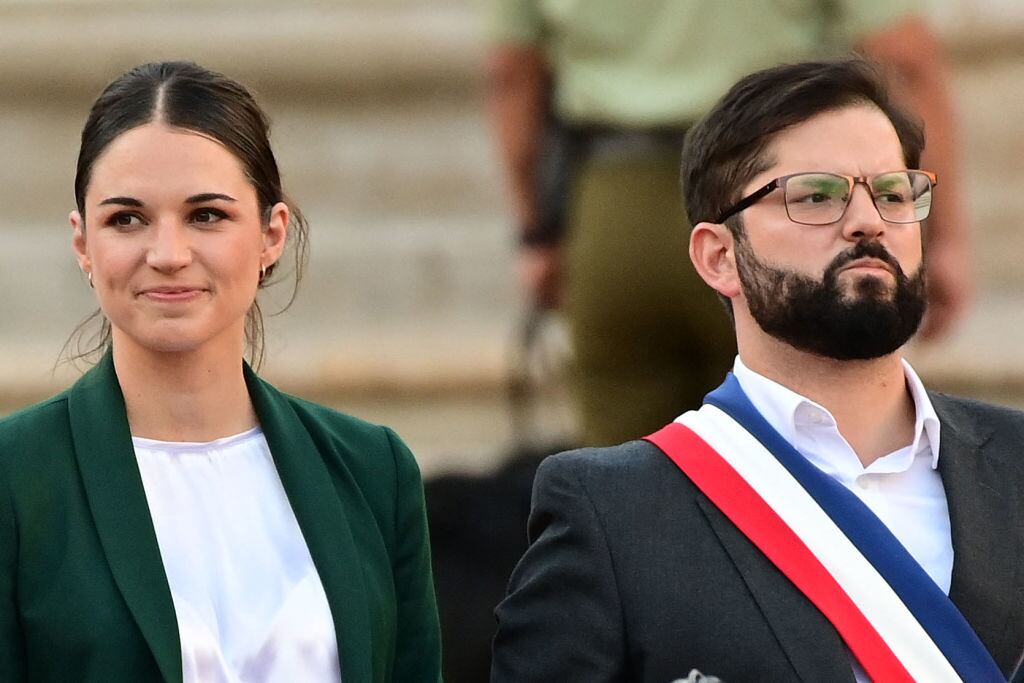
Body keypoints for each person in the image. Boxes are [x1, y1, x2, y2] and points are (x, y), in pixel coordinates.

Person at [491, 59, 1023, 682]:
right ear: (719, 257)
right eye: (816, 196)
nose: (868, 221)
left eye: (894, 192)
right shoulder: (612, 515)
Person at [0, 62, 442, 682]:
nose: (168, 255)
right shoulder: (16, 478)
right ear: (83, 245)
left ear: (271, 234)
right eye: (127, 219)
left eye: (206, 215)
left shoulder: (373, 470)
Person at [486, 0, 971, 446]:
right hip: (784, 196)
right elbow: (904, 56)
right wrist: (941, 233)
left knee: (624, 478)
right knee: (803, 452)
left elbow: (511, 72)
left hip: (615, 203)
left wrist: (537, 231)